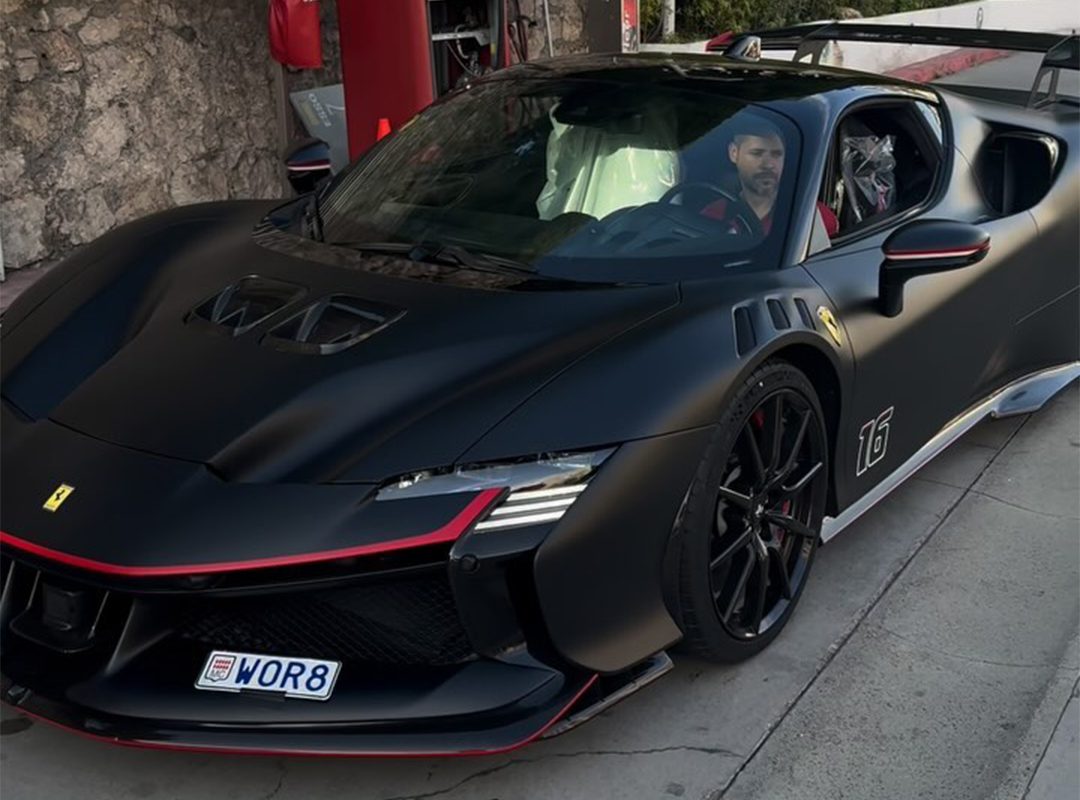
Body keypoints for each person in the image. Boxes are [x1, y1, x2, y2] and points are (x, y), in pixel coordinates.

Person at [702, 116, 839, 238]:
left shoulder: (813, 219)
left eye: (776, 154)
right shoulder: (713, 216)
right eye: (757, 153)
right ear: (734, 153)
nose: (768, 165)